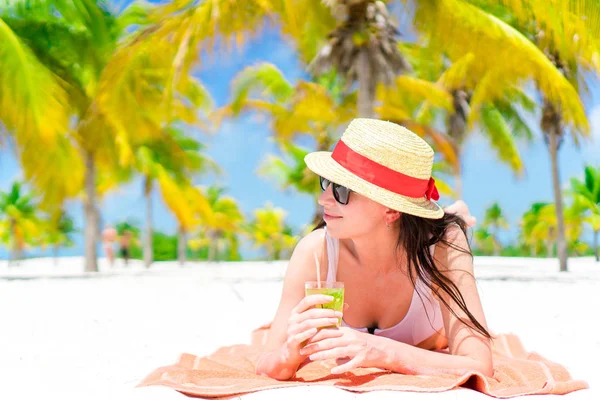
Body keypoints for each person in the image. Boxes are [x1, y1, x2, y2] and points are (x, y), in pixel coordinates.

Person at [256, 118, 492, 381]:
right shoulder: (316, 252)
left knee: (451, 224)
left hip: (424, 241)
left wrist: (380, 351)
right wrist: (288, 355)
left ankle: (453, 213)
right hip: (399, 226)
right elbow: (267, 362)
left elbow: (479, 365)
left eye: (342, 191)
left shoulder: (443, 248)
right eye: (326, 182)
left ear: (390, 209)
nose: (324, 199)